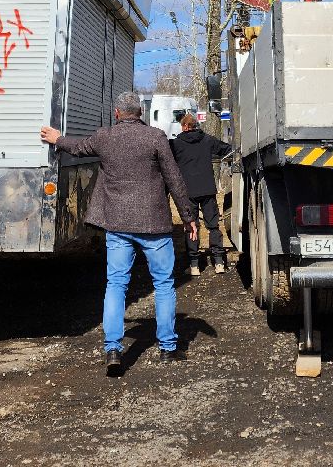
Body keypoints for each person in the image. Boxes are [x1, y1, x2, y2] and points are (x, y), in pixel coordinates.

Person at [41, 91, 197, 375]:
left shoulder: (105, 137)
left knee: (116, 285)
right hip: (153, 224)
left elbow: (78, 147)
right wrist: (188, 217)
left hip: (117, 224)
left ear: (116, 113)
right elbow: (174, 177)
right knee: (163, 284)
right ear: (140, 112)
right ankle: (167, 348)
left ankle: (113, 347)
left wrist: (56, 139)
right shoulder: (155, 137)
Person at [169, 112, 233, 276]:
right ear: (196, 125)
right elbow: (226, 149)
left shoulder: (176, 144)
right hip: (207, 190)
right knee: (213, 226)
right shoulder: (207, 140)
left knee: (192, 227)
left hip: (188, 191)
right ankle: (218, 261)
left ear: (184, 126)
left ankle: (194, 265)